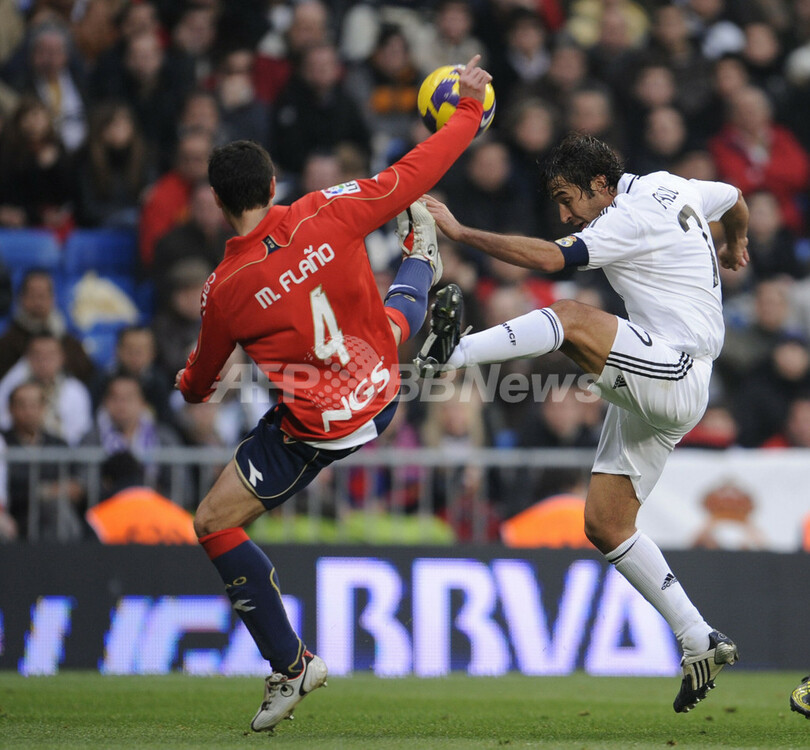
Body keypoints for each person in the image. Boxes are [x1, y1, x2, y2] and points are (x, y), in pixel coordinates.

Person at [175, 57, 492, 732]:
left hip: (316, 426)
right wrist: (467, 108)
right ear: (273, 184)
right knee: (384, 324)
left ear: (219, 203)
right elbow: (416, 172)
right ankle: (420, 261)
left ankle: (290, 665)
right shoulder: (327, 208)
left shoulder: (224, 292)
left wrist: (186, 378)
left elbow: (200, 386)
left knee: (213, 523)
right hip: (381, 390)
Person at [419, 131, 749, 713]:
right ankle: (698, 636)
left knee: (570, 317)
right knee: (606, 523)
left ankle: (452, 354)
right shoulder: (674, 187)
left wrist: (461, 233)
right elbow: (735, 198)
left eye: (568, 199)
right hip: (665, 372)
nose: (566, 215)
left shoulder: (628, 217)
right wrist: (737, 243)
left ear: (600, 185)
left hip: (676, 369)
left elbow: (551, 258)